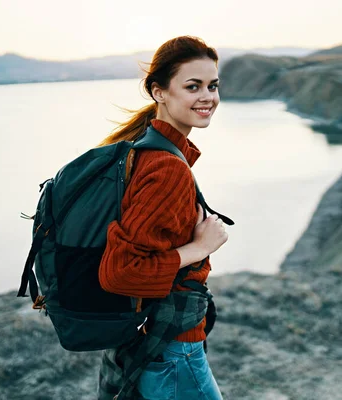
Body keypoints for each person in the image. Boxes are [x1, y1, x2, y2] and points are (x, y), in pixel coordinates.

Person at [96, 36, 228, 400]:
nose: (208, 97)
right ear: (159, 92)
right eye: (193, 86)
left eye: (212, 85)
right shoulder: (166, 167)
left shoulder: (147, 150)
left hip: (153, 342)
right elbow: (120, 271)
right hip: (171, 349)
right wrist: (199, 248)